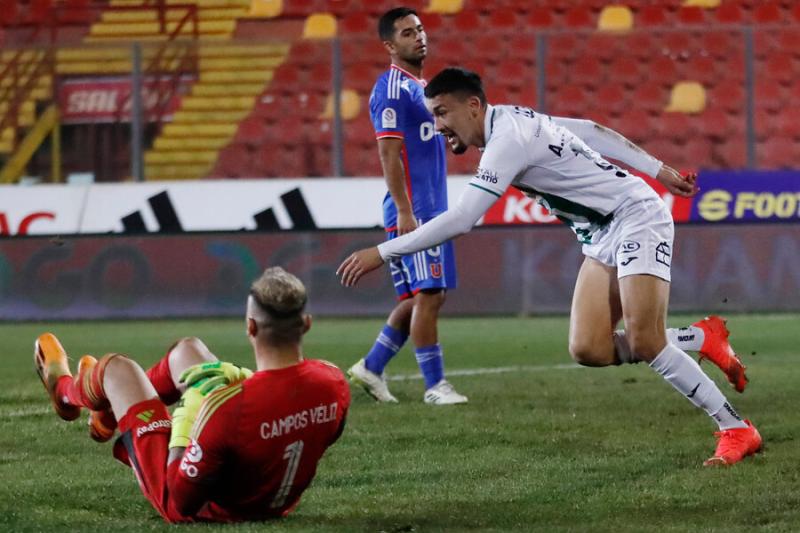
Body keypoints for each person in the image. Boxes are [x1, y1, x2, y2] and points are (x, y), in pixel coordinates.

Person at [337, 67, 761, 466]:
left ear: (473, 106)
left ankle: (736, 427)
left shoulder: (507, 140)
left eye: (443, 113)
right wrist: (658, 168)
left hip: (636, 215)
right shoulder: (516, 119)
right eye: (434, 115)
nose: (440, 124)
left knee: (646, 342)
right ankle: (700, 337)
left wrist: (384, 251)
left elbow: (463, 218)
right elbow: (592, 131)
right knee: (589, 349)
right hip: (599, 235)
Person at [34, 266, 351, 522]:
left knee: (116, 368)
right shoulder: (332, 381)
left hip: (207, 505)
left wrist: (187, 420)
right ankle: (105, 415)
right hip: (274, 498)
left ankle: (62, 390)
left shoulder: (225, 409)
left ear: (250, 327)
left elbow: (182, 501)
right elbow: (293, 424)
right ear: (306, 324)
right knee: (188, 350)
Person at [347, 7, 467, 405]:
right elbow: (389, 153)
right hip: (417, 210)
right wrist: (404, 210)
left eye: (419, 29)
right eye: (406, 33)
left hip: (428, 206)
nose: (418, 36)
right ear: (389, 45)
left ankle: (371, 366)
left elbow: (425, 140)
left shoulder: (421, 86)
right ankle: (435, 386)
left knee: (417, 298)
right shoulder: (392, 88)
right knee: (431, 295)